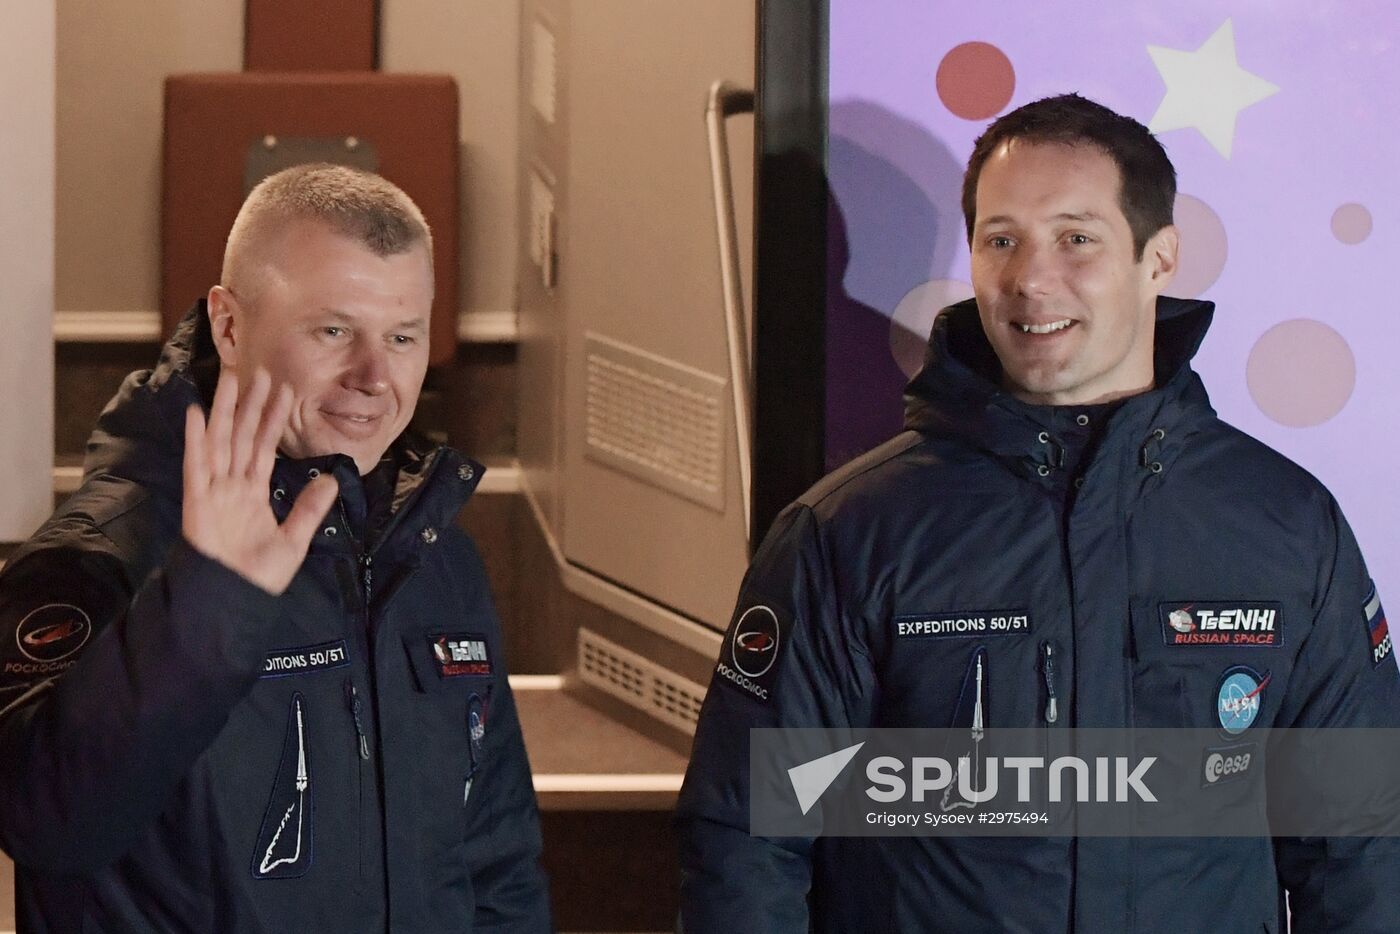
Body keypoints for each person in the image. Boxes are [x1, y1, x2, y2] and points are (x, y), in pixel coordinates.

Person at [676, 94, 1400, 932]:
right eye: (1001, 240)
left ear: (1159, 258)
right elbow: (746, 843)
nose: (1029, 278)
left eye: (1076, 239)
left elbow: (1361, 844)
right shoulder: (847, 532)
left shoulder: (1286, 525)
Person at [0, 164, 552, 932]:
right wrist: (208, 601)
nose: (374, 377)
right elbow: (48, 821)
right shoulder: (102, 553)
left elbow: (496, 861)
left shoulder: (432, 554)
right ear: (228, 325)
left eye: (402, 337)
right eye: (333, 330)